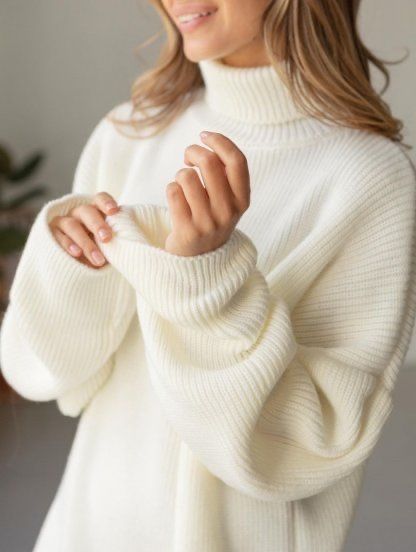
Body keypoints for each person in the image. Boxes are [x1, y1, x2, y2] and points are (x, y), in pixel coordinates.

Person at [1, 1, 415, 550]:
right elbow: (43, 374)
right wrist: (70, 265)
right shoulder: (130, 133)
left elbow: (313, 444)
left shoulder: (369, 177)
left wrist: (208, 282)